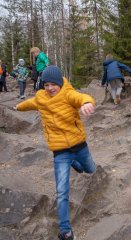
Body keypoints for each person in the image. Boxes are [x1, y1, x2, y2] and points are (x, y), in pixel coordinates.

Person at [15, 66, 96, 240]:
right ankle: (65, 230)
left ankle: (75, 163)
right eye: (47, 84)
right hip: (60, 151)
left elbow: (81, 97)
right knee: (61, 191)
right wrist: (17, 107)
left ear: (60, 83)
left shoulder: (68, 94)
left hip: (79, 146)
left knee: (90, 169)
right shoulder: (41, 98)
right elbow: (28, 104)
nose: (50, 88)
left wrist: (87, 103)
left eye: (53, 84)